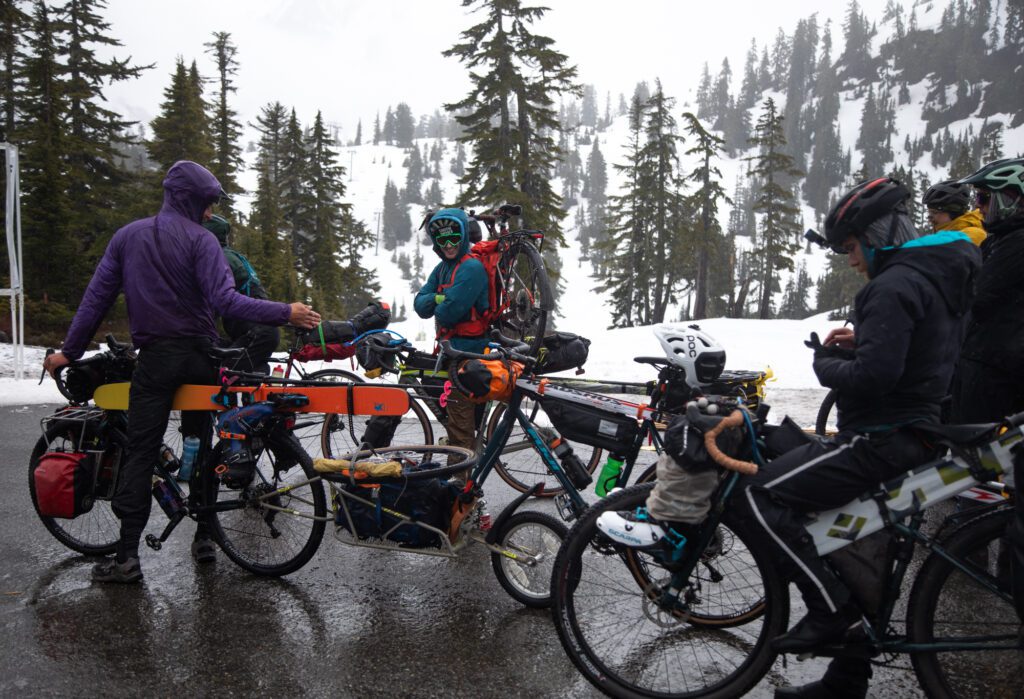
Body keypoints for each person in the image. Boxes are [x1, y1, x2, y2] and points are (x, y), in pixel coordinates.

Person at [599, 177, 981, 699]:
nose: (851, 261)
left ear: (878, 234)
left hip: (878, 439)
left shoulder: (893, 286)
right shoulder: (936, 276)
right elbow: (914, 359)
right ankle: (845, 680)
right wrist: (865, 342)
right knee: (848, 533)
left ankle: (829, 610)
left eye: (851, 248)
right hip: (911, 433)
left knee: (758, 497)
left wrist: (827, 360)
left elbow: (874, 378)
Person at [43, 160, 321, 584]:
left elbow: (95, 300)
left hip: (156, 359)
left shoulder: (127, 237)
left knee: (140, 451)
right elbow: (227, 302)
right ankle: (204, 537)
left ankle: (126, 558)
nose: (210, 214)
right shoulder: (202, 242)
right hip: (201, 357)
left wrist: (70, 352)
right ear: (190, 200)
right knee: (203, 441)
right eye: (208, 205)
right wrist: (286, 312)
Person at [950, 157, 1024, 424]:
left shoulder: (1017, 243)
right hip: (981, 366)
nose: (977, 207)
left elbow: (975, 296)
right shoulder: (997, 241)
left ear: (1012, 197)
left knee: (978, 456)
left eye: (983, 198)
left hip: (999, 373)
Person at [413, 208, 488, 466]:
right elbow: (420, 305)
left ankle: (460, 485)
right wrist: (437, 298)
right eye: (442, 239)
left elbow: (448, 314)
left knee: (460, 428)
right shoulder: (442, 268)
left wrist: (439, 302)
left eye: (453, 238)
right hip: (452, 354)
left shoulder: (472, 268)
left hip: (469, 357)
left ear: (464, 235)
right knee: (458, 421)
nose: (448, 245)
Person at [204, 214, 280, 374]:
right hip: (260, 330)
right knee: (255, 371)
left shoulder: (219, 259)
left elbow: (217, 300)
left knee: (223, 372)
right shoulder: (230, 255)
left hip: (256, 332)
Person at [922, 179, 987, 244]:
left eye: (935, 212)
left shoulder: (974, 234)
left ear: (953, 212)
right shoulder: (945, 232)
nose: (930, 218)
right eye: (929, 212)